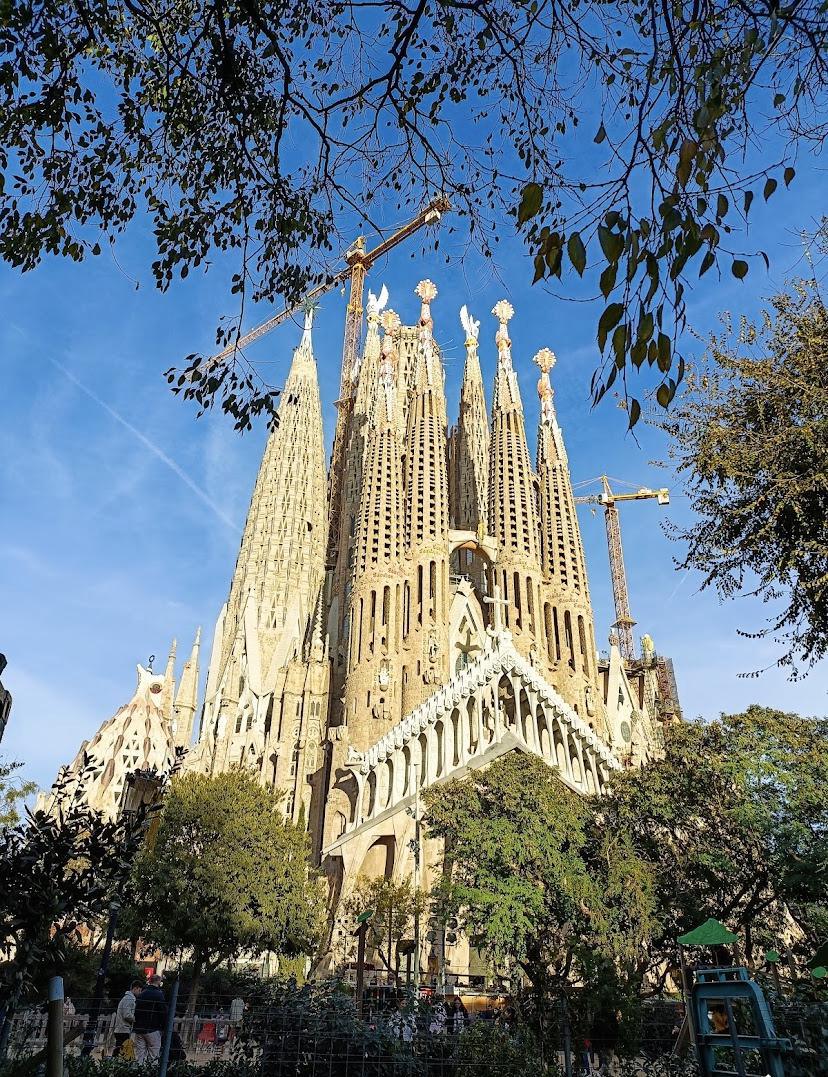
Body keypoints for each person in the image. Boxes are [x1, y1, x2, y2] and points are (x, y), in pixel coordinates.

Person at [132, 974, 168, 1061]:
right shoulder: (159, 995)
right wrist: (164, 1028)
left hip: (139, 1029)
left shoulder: (142, 994)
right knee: (153, 1055)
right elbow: (163, 1012)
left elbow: (136, 1011)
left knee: (139, 1055)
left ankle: (138, 1072)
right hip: (153, 1029)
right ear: (158, 982)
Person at [112, 980, 143, 1057]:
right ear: (135, 988)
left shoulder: (126, 998)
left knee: (120, 1050)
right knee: (126, 1053)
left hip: (120, 1028)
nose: (140, 993)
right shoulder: (130, 999)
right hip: (123, 1029)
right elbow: (127, 1015)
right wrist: (136, 1019)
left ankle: (112, 1064)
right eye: (139, 990)